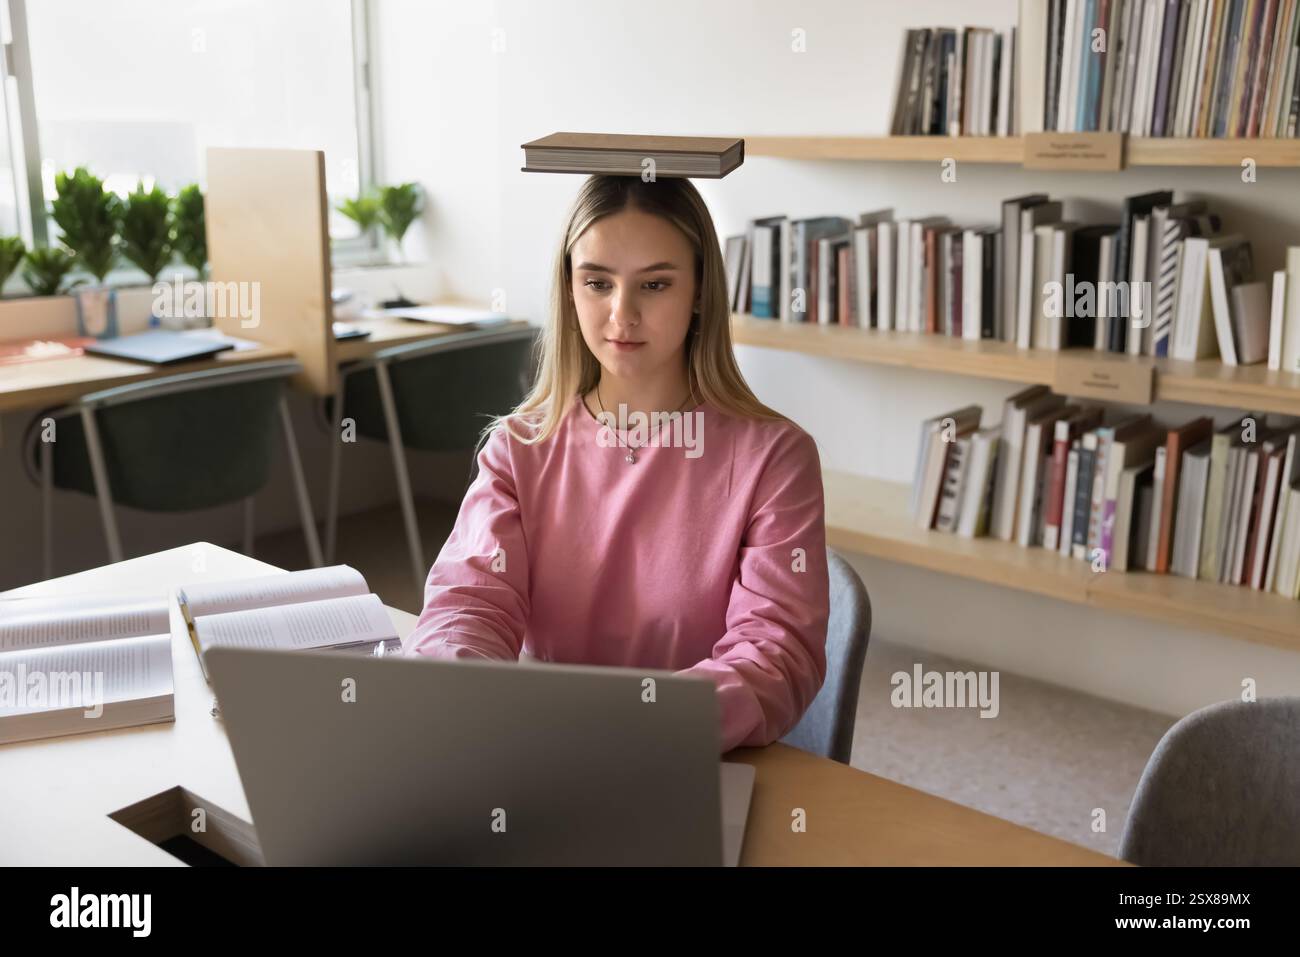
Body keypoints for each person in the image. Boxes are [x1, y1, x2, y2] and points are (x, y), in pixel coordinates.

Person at [403, 173, 829, 753]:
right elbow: (469, 604)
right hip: (542, 753)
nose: (621, 314)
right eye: (598, 282)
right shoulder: (517, 448)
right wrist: (459, 691)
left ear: (700, 291)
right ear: (569, 289)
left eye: (654, 285)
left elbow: (775, 651)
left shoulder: (776, 458)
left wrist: (632, 728)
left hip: (693, 754)